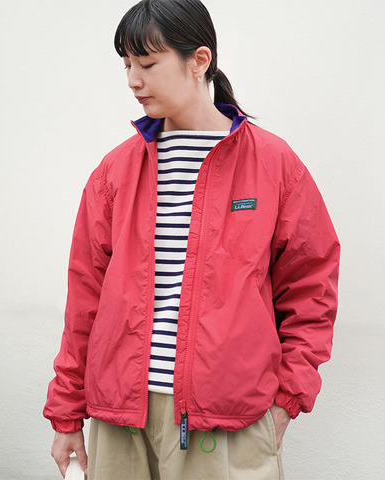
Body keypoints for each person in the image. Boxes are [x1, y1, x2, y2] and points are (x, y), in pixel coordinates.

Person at [44, 0, 340, 478]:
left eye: (147, 64)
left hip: (226, 422)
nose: (133, 81)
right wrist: (66, 412)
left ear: (199, 60)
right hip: (120, 419)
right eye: (126, 66)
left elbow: (312, 287)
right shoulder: (115, 172)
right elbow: (85, 300)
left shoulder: (273, 164)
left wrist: (288, 399)